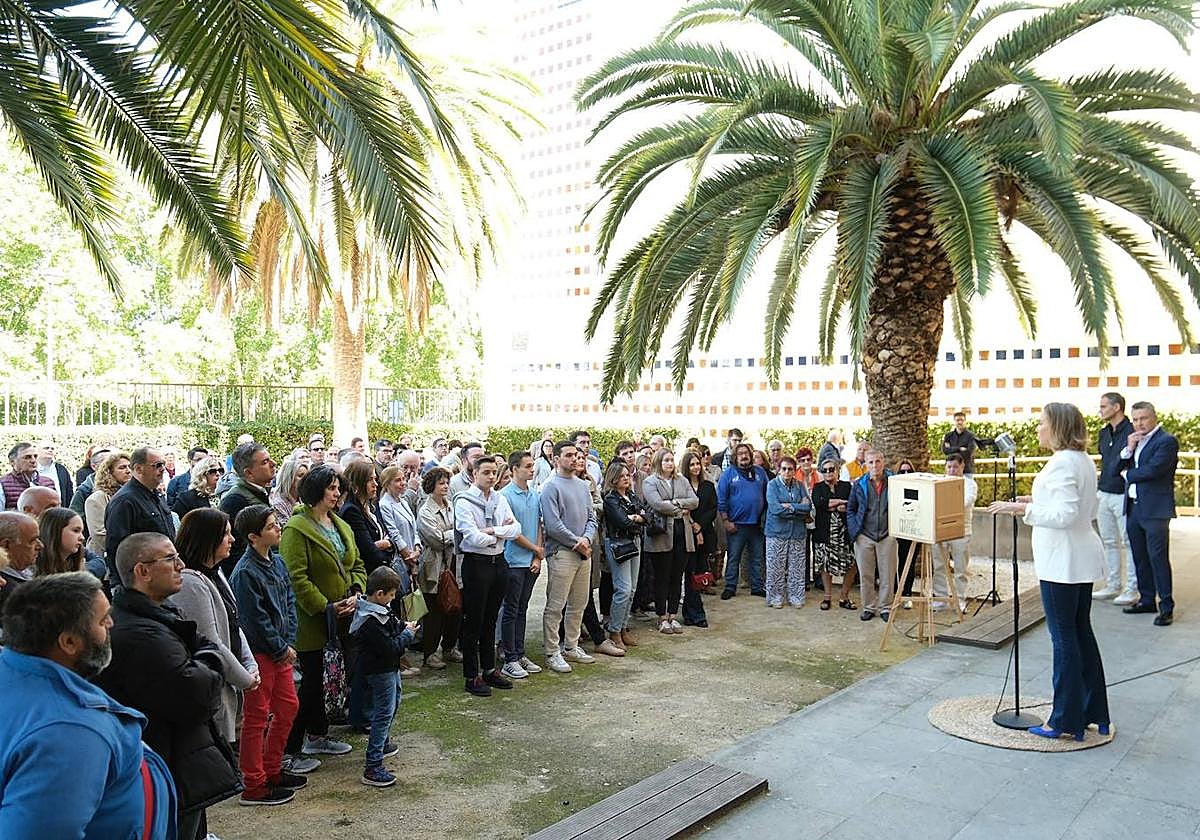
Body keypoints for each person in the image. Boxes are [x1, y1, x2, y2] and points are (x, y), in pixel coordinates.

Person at [0, 572, 177, 839]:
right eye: (103, 619)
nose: (112, 624)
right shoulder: (70, 733)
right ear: (69, 642)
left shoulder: (13, 673)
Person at [96, 532, 242, 840]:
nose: (181, 565)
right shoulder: (142, 635)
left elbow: (200, 649)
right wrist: (210, 658)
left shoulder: (158, 616)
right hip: (168, 765)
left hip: (179, 760)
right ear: (143, 571)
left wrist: (203, 655)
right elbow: (198, 693)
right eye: (170, 559)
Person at [988, 403, 1109, 740]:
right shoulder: (1082, 460)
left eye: (1043, 423)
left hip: (1062, 563)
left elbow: (1065, 515)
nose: (1038, 428)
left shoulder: (1062, 463)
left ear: (1057, 427)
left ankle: (1064, 720)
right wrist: (1035, 502)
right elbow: (1084, 508)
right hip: (1080, 558)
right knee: (1081, 633)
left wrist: (1021, 509)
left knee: (1064, 638)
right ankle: (1093, 712)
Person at [281, 465, 366, 761]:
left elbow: (356, 563)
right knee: (311, 683)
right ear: (316, 491)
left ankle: (318, 736)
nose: (337, 493)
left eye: (338, 488)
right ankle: (290, 748)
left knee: (330, 678)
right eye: (331, 488)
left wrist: (357, 591)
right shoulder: (296, 529)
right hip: (312, 620)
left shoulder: (339, 523)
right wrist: (324, 606)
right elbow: (296, 577)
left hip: (343, 615)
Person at [230, 504, 305, 804]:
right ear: (253, 536)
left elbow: (289, 601)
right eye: (271, 526)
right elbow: (254, 620)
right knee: (256, 716)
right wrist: (280, 647)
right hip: (261, 653)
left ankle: (272, 768)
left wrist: (288, 641)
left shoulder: (278, 561)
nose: (278, 528)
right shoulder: (245, 572)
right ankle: (254, 782)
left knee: (287, 707)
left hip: (281, 650)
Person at [173, 508, 259, 749]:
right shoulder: (190, 583)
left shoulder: (216, 572)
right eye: (225, 534)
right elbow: (211, 641)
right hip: (212, 687)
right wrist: (245, 678)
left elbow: (233, 622)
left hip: (229, 678)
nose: (232, 540)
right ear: (206, 538)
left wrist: (250, 664)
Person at [455, 455, 521, 695]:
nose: (491, 476)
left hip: (498, 562)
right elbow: (471, 537)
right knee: (474, 620)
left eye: (494, 472)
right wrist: (500, 534)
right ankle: (471, 675)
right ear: (474, 474)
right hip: (476, 564)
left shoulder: (499, 499)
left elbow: (516, 529)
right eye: (486, 472)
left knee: (491, 619)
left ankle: (489, 669)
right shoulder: (464, 501)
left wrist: (492, 530)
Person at [350, 566, 416, 788]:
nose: (393, 598)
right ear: (379, 594)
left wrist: (403, 626)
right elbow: (389, 647)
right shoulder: (369, 620)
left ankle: (383, 743)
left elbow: (392, 625)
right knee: (383, 713)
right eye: (391, 594)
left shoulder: (380, 609)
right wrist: (407, 635)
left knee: (393, 702)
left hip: (389, 669)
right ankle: (373, 764)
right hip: (380, 671)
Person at [539, 440, 600, 672]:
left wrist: (586, 539)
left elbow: (591, 517)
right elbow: (553, 525)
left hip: (583, 551)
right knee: (556, 605)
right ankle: (552, 651)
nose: (575, 459)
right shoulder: (550, 487)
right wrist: (577, 542)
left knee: (579, 603)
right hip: (562, 553)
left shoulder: (583, 486)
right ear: (556, 459)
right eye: (569, 455)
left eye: (576, 455)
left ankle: (571, 646)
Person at [1120, 401, 1179, 626]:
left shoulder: (1166, 441)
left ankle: (1166, 606)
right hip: (1134, 507)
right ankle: (1146, 600)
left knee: (1158, 558)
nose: (1139, 423)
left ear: (1154, 417)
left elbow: (1154, 470)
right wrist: (1129, 448)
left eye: (1143, 418)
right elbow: (1116, 467)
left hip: (1155, 510)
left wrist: (1128, 475)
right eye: (1135, 419)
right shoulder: (1135, 440)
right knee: (1140, 556)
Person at [498, 450, 545, 679]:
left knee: (522, 609)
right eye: (527, 466)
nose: (531, 469)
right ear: (514, 468)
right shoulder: (504, 496)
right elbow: (512, 532)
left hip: (530, 562)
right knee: (511, 609)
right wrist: (535, 549)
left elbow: (539, 525)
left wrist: (537, 556)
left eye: (532, 465)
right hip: (513, 561)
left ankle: (519, 652)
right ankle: (510, 657)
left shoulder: (534, 494)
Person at [642, 448, 699, 634]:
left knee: (677, 576)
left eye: (671, 459)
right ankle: (661, 616)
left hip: (683, 534)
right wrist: (681, 508)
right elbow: (657, 504)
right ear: (658, 461)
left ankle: (672, 615)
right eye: (666, 460)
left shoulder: (682, 480)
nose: (669, 463)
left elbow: (694, 501)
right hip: (662, 535)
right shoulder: (650, 481)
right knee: (662, 577)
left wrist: (675, 503)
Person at [102, 446, 175, 581]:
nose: (163, 469)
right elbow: (116, 547)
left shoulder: (157, 495)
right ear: (138, 468)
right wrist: (125, 584)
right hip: (140, 580)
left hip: (161, 574)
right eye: (157, 465)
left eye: (163, 464)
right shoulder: (124, 501)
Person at [415, 468, 462, 670]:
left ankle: (449, 647)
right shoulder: (425, 511)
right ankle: (430, 653)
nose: (445, 486)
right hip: (433, 566)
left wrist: (451, 534)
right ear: (431, 486)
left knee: (455, 607)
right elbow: (437, 540)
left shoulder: (451, 505)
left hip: (453, 564)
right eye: (441, 483)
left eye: (446, 483)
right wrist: (455, 533)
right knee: (434, 612)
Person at [1093, 392, 1137, 603]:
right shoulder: (1103, 433)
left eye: (1103, 406)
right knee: (1109, 541)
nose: (1100, 410)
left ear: (1117, 407)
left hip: (1123, 494)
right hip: (1104, 492)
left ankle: (1132, 588)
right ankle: (1113, 584)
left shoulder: (1132, 431)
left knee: (1129, 542)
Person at [847, 450, 897, 622]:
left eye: (877, 461)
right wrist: (855, 531)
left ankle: (885, 608)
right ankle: (869, 607)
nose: (875, 465)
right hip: (864, 536)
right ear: (866, 465)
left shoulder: (894, 482)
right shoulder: (859, 484)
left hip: (887, 535)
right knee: (866, 575)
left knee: (887, 575)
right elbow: (851, 509)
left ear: (883, 462)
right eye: (871, 462)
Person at [602, 462, 646, 649]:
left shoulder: (631, 496)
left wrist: (636, 517)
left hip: (635, 541)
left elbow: (648, 515)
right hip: (618, 543)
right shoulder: (610, 499)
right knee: (623, 589)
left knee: (632, 588)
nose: (626, 478)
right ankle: (614, 630)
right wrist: (637, 518)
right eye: (622, 476)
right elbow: (622, 522)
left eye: (627, 475)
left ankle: (623, 626)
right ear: (613, 478)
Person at [717, 443, 768, 599]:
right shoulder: (728, 474)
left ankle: (757, 586)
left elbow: (767, 494)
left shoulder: (760, 472)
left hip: (757, 524)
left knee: (757, 557)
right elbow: (721, 499)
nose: (744, 456)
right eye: (740, 454)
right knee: (733, 557)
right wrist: (726, 521)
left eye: (746, 453)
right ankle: (730, 587)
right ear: (735, 457)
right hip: (736, 524)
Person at [220, 442, 277, 577]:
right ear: (249, 473)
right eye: (265, 462)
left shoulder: (259, 492)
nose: (273, 464)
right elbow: (232, 551)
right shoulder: (235, 501)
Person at [765, 455, 812, 609]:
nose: (787, 472)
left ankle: (796, 596)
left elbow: (808, 506)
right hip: (776, 532)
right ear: (779, 470)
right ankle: (775, 597)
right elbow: (775, 509)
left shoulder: (800, 485)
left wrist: (790, 506)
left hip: (797, 532)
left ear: (794, 470)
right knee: (775, 567)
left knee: (797, 567)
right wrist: (798, 508)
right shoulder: (772, 485)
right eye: (784, 468)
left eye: (790, 469)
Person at [811, 457, 857, 611]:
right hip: (824, 533)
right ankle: (827, 597)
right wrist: (839, 502)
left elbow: (851, 504)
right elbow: (819, 503)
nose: (828, 472)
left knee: (851, 564)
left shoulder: (846, 486)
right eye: (825, 470)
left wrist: (833, 504)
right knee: (825, 565)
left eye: (831, 469)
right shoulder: (818, 487)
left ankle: (844, 597)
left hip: (844, 534)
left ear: (837, 470)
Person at [936, 454, 978, 612]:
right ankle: (940, 599)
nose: (952, 470)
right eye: (949, 467)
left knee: (961, 569)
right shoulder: (938, 482)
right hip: (940, 530)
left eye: (955, 467)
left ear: (962, 467)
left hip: (962, 531)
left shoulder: (970, 484)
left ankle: (960, 599)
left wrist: (944, 504)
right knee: (938, 566)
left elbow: (966, 502)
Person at [339, 460, 394, 577]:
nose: (375, 484)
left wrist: (388, 544)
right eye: (370, 480)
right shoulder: (351, 511)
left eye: (375, 479)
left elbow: (389, 537)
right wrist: (386, 549)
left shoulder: (371, 507)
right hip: (368, 575)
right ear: (357, 483)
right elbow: (368, 552)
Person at [679, 450, 713, 626]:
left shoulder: (708, 486)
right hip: (686, 534)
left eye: (697, 463)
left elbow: (712, 509)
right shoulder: (682, 486)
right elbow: (683, 509)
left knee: (699, 574)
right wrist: (694, 525)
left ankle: (692, 612)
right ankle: (695, 614)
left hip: (705, 534)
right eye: (692, 464)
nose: (696, 467)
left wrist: (700, 526)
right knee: (689, 573)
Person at [35, 506, 108, 582]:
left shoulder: (79, 553)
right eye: (76, 531)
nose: (82, 537)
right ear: (54, 531)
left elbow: (99, 563)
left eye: (81, 532)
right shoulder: (32, 572)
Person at [86, 451, 132, 558]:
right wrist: (128, 550)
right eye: (122, 467)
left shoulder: (134, 495)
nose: (128, 471)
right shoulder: (97, 498)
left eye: (130, 467)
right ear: (109, 472)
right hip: (105, 556)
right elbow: (99, 534)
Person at [378, 465, 421, 581]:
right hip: (401, 559)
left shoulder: (403, 502)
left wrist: (417, 549)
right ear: (387, 484)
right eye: (397, 480)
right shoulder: (384, 505)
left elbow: (414, 528)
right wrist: (410, 559)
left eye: (403, 479)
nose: (403, 483)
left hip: (414, 555)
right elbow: (394, 534)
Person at [0, 512, 41, 627]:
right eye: (32, 541)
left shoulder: (23, 574)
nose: (40, 546)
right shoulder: (9, 593)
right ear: (6, 545)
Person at [3, 443, 54, 510]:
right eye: (27, 457)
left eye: (35, 456)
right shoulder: (3, 484)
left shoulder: (48, 483)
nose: (33, 460)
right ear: (12, 462)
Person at [172, 455, 224, 519]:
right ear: (202, 474)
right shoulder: (186, 498)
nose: (218, 474)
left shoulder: (225, 494)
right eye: (212, 471)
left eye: (220, 470)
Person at [942, 412, 991, 476]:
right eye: (957, 420)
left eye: (962, 420)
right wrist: (959, 448)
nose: (960, 422)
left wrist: (951, 449)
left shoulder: (971, 436)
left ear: (965, 421)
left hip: (966, 470)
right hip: (951, 470)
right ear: (954, 421)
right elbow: (945, 450)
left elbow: (969, 452)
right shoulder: (948, 436)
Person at [70, 448, 111, 517]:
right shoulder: (84, 490)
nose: (111, 466)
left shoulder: (123, 485)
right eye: (107, 462)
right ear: (94, 466)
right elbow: (74, 516)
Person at [271, 455, 309, 527]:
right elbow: (286, 528)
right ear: (289, 478)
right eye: (300, 476)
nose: (305, 479)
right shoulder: (278, 504)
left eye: (307, 476)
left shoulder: (304, 500)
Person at [34, 440, 74, 507]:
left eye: (52, 449)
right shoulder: (31, 468)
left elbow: (69, 493)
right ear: (37, 451)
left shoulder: (61, 470)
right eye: (46, 448)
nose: (50, 450)